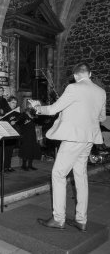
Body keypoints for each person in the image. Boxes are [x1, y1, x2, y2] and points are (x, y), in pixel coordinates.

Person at [35, 63, 106, 231]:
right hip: (89, 139)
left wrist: (36, 108)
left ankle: (58, 218)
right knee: (80, 176)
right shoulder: (101, 92)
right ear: (90, 73)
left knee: (58, 173)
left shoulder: (73, 88)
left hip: (74, 139)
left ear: (75, 76)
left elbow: (52, 110)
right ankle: (81, 219)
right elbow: (102, 117)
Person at [18, 107, 40, 171]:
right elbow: (20, 123)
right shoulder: (23, 116)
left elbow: (37, 122)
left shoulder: (33, 116)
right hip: (25, 136)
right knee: (26, 150)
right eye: (30, 110)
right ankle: (24, 165)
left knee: (32, 150)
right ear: (27, 111)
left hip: (33, 135)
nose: (30, 111)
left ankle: (30, 165)